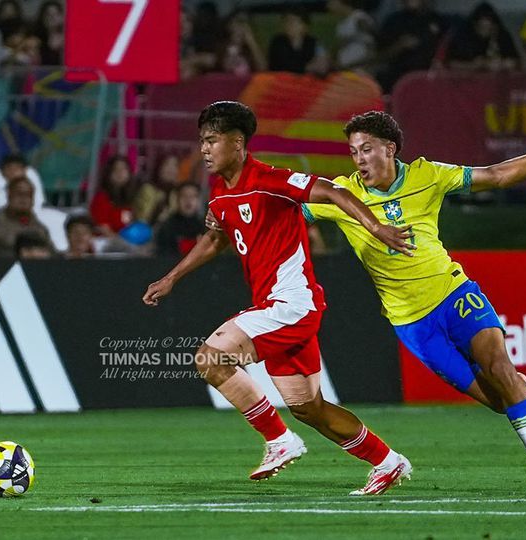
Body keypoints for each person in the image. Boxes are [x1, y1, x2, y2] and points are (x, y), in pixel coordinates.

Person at [298, 111, 526, 496]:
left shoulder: (427, 175)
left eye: (366, 149)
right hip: (412, 322)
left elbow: (496, 175)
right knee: (500, 401)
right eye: (353, 152)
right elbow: (285, 208)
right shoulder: (343, 195)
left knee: (498, 364)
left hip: (454, 294)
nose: (359, 159)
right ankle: (524, 394)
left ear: (390, 148)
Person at [143, 101, 414, 496]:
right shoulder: (220, 193)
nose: (203, 149)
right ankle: (388, 462)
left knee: (210, 357)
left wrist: (377, 228)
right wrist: (171, 278)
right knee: (310, 408)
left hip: (290, 304)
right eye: (202, 140)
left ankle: (278, 439)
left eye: (212, 140)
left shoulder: (270, 179)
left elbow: (335, 191)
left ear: (237, 144)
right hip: (285, 309)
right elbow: (217, 238)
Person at [0, 176, 53, 257]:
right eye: (19, 194)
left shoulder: (40, 229)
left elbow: (54, 257)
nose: (24, 199)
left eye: (28, 195)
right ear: (9, 195)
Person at [376, 0, 444, 92]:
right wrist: (398, 46)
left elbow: (446, 53)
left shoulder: (439, 21)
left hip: (426, 83)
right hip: (396, 81)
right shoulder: (393, 20)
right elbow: (379, 57)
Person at [446, 2, 520, 71]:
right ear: (475, 25)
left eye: (491, 27)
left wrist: (504, 64)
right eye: (482, 28)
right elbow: (450, 63)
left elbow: (516, 60)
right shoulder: (464, 37)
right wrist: (473, 65)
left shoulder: (502, 35)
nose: (487, 31)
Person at [267, 9, 330, 76]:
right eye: (286, 21)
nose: (289, 25)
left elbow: (322, 60)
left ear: (305, 26)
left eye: (293, 22)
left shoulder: (313, 42)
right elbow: (282, 65)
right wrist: (307, 67)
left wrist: (323, 63)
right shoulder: (278, 42)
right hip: (281, 81)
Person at [155, 182, 205, 256]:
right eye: (184, 196)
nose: (188, 200)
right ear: (177, 199)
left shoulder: (205, 227)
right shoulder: (167, 226)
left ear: (198, 201)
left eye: (193, 196)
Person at [327, 0, 376, 72]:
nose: (328, 5)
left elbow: (372, 42)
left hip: (360, 68)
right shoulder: (342, 23)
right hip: (344, 68)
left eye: (332, 2)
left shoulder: (359, 18)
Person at [34, 0, 65, 66]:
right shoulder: (36, 39)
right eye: (48, 14)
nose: (52, 17)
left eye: (56, 14)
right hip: (42, 74)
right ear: (42, 17)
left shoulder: (67, 37)